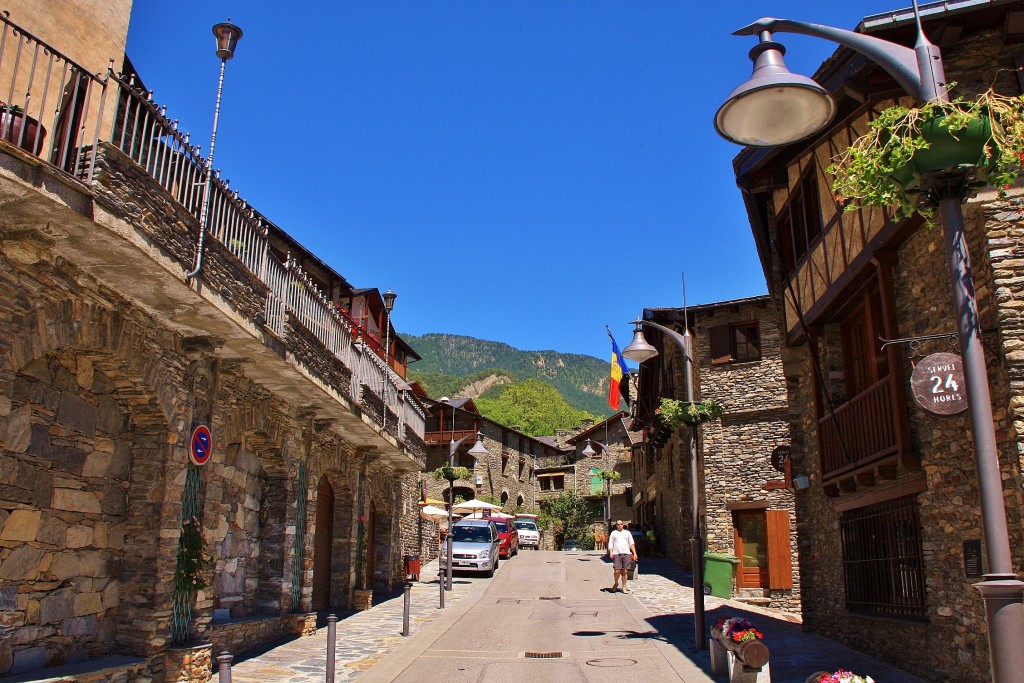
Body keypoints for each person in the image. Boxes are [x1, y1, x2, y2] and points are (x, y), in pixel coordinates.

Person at [607, 519, 637, 593]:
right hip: (617, 553)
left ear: (623, 525)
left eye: (620, 524)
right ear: (616, 525)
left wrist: (634, 553)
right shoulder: (614, 533)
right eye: (618, 524)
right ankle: (616, 583)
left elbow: (631, 543)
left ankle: (624, 586)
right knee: (617, 570)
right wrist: (611, 552)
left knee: (625, 571)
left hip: (626, 553)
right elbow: (610, 543)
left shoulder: (627, 533)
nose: (619, 525)